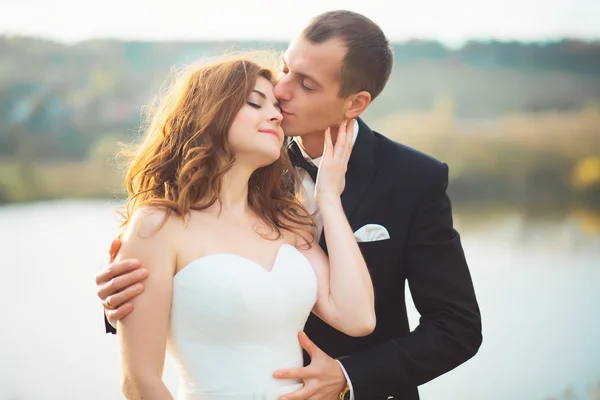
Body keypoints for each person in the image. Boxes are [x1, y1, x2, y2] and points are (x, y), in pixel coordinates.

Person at [97, 10, 483, 400]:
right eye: (285, 68)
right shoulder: (251, 150)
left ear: (355, 103)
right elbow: (176, 295)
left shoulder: (413, 178)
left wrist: (350, 376)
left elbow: (456, 326)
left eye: (307, 84)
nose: (280, 91)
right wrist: (131, 299)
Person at [102, 54, 377, 399]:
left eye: (276, 107)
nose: (276, 115)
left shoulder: (287, 222)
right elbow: (142, 382)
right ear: (210, 112)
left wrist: (330, 199)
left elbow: (358, 317)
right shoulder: (158, 226)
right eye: (255, 103)